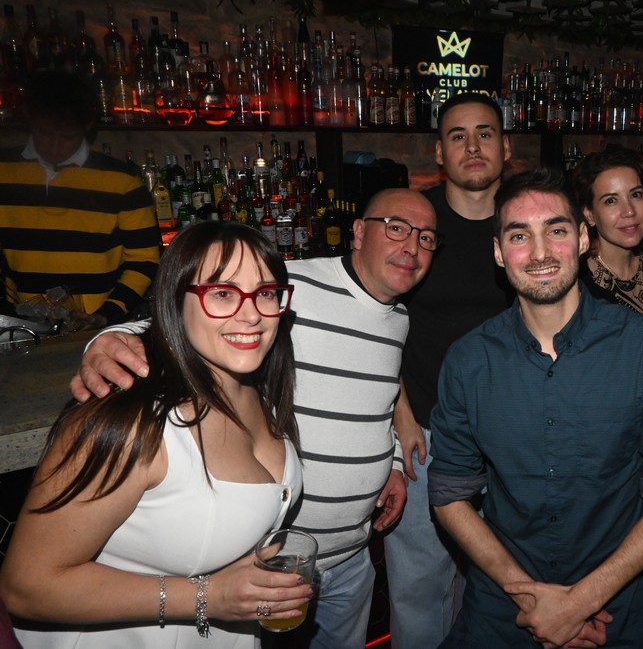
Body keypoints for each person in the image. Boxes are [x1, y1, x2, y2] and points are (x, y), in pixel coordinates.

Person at [68, 188, 438, 649]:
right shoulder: (290, 286)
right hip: (270, 563)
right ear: (360, 232)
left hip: (352, 559)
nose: (412, 246)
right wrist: (109, 339)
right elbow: (189, 317)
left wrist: (395, 465)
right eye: (397, 228)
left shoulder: (399, 318)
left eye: (426, 238)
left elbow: (379, 395)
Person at [429, 168, 643, 648]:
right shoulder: (469, 360)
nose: (539, 253)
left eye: (555, 230)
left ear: (581, 238)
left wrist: (578, 603)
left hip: (613, 612)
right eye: (520, 235)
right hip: (503, 610)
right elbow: (449, 493)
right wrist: (531, 600)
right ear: (499, 252)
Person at [0, 221, 309, 648]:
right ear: (174, 300)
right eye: (222, 293)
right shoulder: (130, 422)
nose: (252, 313)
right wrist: (208, 597)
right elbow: (26, 586)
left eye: (267, 292)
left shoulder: (257, 387)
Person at [385, 92, 514, 649]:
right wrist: (401, 415)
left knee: (498, 582)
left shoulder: (526, 219)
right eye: (458, 136)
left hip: (512, 435)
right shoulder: (417, 222)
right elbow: (378, 318)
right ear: (440, 152)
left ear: (506, 147)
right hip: (428, 434)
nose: (473, 146)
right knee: (420, 586)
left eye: (485, 133)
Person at [0, 68, 161, 329]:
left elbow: (145, 259)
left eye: (67, 137)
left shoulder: (122, 181)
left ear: (87, 126)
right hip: (21, 326)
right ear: (30, 118)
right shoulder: (4, 172)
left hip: (105, 326)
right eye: (45, 132)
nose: (54, 145)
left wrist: (108, 313)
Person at [571, 145, 643, 320]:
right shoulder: (576, 282)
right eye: (611, 201)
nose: (629, 211)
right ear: (589, 215)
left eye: (636, 195)